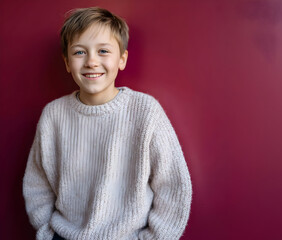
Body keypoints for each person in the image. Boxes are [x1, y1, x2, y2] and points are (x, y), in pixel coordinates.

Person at [23, 7, 192, 240]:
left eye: (103, 51)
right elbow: (37, 183)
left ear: (122, 59)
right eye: (80, 52)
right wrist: (46, 233)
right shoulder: (53, 115)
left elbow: (172, 186)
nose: (92, 61)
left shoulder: (145, 112)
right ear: (67, 62)